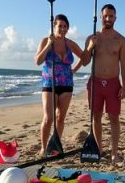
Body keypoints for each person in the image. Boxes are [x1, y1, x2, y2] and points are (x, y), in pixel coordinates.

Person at [76, 4, 125, 163]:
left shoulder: (120, 40)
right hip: (95, 82)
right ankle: (98, 149)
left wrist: (124, 86)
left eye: (111, 16)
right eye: (105, 16)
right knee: (96, 116)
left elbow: (124, 65)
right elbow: (85, 62)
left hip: (113, 83)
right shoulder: (92, 37)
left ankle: (114, 153)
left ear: (115, 18)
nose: (108, 19)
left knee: (114, 118)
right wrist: (91, 47)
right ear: (101, 17)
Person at [35, 14, 92, 156]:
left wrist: (89, 48)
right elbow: (38, 61)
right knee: (48, 118)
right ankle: (43, 147)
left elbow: (85, 60)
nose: (62, 29)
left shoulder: (70, 44)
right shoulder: (45, 41)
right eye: (60, 26)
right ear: (54, 26)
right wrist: (49, 44)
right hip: (50, 84)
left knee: (61, 117)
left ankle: (56, 145)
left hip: (66, 84)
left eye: (65, 26)